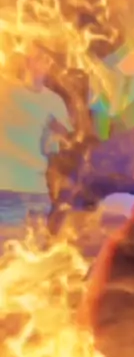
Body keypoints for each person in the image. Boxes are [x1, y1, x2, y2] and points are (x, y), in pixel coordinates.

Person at [0, 46, 72, 241]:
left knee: (35, 254)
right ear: (26, 61)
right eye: (39, 57)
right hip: (6, 192)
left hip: (37, 193)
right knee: (8, 252)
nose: (45, 62)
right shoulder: (5, 89)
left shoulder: (54, 103)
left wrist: (57, 135)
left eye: (48, 58)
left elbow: (57, 151)